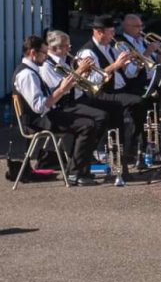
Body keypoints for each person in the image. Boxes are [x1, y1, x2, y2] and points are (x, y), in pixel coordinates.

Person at [14, 35, 107, 186]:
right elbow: (39, 107)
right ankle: (75, 174)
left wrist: (65, 87)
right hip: (38, 121)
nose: (46, 57)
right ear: (33, 53)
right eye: (43, 53)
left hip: (47, 115)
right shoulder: (26, 74)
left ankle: (78, 169)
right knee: (87, 125)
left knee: (92, 120)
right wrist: (62, 89)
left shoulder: (32, 70)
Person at [76, 16, 147, 169]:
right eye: (110, 32)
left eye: (114, 32)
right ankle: (126, 148)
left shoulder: (112, 48)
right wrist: (115, 65)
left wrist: (135, 63)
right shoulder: (87, 52)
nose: (113, 36)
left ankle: (133, 146)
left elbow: (129, 74)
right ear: (98, 32)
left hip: (118, 89)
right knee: (137, 102)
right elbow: (92, 81)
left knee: (144, 99)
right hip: (100, 93)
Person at [118, 14, 161, 96]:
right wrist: (148, 51)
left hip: (154, 80)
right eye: (137, 26)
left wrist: (160, 52)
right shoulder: (122, 44)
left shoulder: (142, 40)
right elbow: (130, 73)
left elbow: (159, 62)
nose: (141, 29)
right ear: (127, 27)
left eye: (142, 26)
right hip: (138, 85)